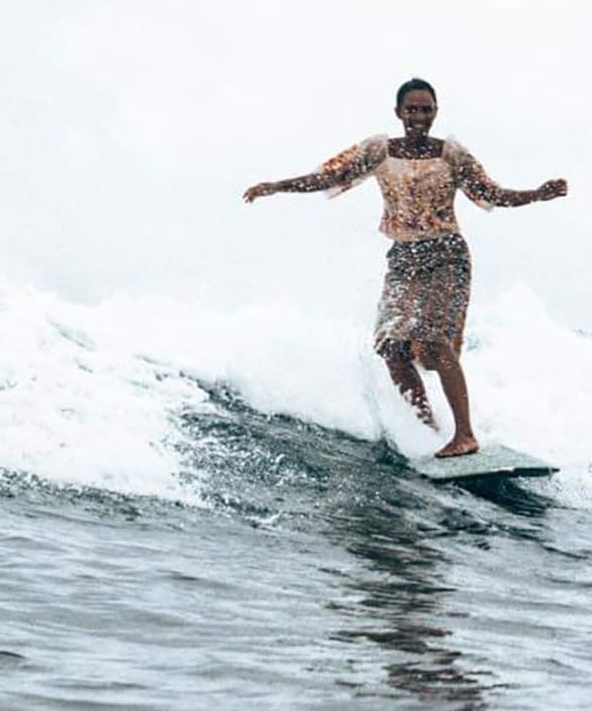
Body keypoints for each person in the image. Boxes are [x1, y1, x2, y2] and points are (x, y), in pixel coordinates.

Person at [242, 78, 566, 458]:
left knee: (432, 341)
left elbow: (493, 194)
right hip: (403, 258)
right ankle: (428, 428)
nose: (419, 116)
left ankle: (465, 435)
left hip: (446, 255)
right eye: (411, 109)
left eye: (426, 109)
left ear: (435, 112)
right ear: (398, 113)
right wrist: (277, 186)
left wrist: (537, 195)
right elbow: (329, 176)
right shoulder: (379, 151)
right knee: (391, 347)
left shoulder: (452, 155)